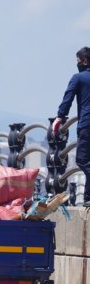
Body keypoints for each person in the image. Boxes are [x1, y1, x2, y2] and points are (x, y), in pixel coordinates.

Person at [53, 46, 90, 207]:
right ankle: (88, 197)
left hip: (87, 124)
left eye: (78, 61)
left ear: (84, 61)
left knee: (82, 160)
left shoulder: (78, 78)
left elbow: (67, 98)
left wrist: (59, 117)